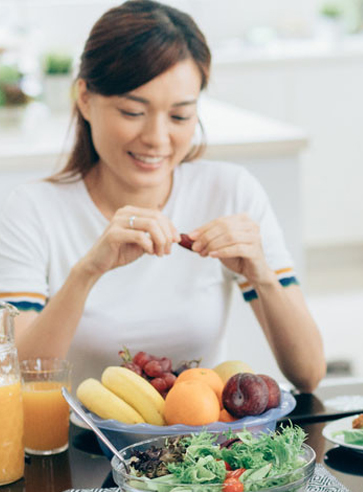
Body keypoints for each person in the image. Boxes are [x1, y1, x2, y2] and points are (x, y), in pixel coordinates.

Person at [0, 1, 325, 392]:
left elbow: (309, 373)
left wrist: (262, 275)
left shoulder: (229, 192)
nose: (156, 138)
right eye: (133, 112)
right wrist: (87, 272)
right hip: (77, 446)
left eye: (179, 116)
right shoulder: (32, 211)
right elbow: (17, 382)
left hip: (201, 444)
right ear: (84, 98)